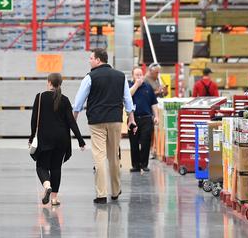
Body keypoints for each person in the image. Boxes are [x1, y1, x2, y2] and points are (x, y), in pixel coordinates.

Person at [73, 48, 135, 204]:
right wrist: (131, 118)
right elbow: (128, 100)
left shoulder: (90, 77)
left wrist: (73, 119)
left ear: (98, 60)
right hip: (115, 120)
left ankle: (101, 194)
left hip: (97, 121)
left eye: (91, 58)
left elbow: (79, 101)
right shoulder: (121, 77)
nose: (89, 60)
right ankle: (115, 191)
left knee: (99, 156)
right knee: (114, 155)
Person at [29, 73, 86, 206]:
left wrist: (31, 137)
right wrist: (80, 140)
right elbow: (71, 122)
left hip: (45, 138)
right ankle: (54, 198)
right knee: (56, 168)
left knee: (41, 166)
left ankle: (47, 185)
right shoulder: (65, 100)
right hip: (62, 139)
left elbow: (33, 121)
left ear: (48, 82)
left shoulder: (40, 97)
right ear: (60, 84)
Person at [128, 67, 159, 174]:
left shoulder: (148, 87)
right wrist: (136, 85)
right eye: (137, 75)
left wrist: (156, 116)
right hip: (133, 118)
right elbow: (128, 96)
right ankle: (135, 165)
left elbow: (153, 103)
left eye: (141, 75)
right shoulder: (129, 86)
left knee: (146, 142)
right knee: (134, 142)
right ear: (132, 76)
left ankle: (144, 164)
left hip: (146, 118)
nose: (139, 77)